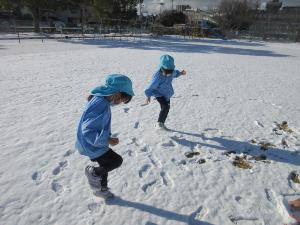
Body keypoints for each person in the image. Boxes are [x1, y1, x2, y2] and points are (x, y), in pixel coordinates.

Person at [75, 74, 134, 199]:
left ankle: (101, 189)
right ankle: (93, 172)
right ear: (117, 94)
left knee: (104, 165)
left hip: (94, 142)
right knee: (116, 161)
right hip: (92, 142)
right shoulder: (100, 104)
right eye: (121, 100)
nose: (119, 103)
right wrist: (107, 139)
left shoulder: (101, 99)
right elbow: (88, 130)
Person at [144, 54, 186, 130]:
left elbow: (175, 73)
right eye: (166, 72)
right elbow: (151, 86)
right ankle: (159, 124)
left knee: (167, 108)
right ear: (162, 68)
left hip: (167, 94)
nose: (168, 74)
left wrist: (180, 73)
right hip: (158, 94)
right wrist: (148, 95)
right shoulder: (157, 76)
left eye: (170, 72)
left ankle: (161, 123)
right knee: (165, 107)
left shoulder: (172, 72)